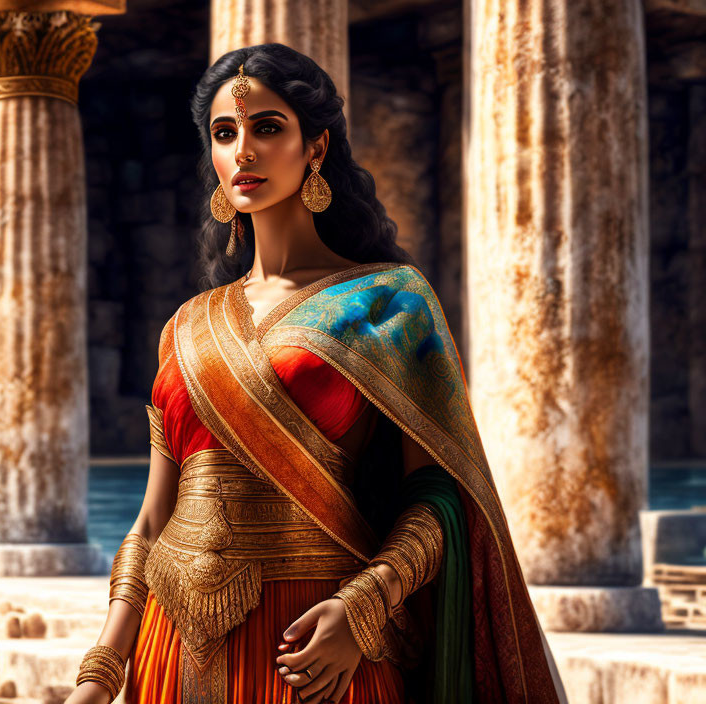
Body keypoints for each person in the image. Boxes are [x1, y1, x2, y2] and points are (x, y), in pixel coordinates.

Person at [65, 44, 568, 704]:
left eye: (267, 128)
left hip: (316, 646)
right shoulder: (186, 325)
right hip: (171, 648)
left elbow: (442, 501)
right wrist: (101, 671)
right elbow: (154, 519)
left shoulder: (389, 299)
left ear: (316, 148)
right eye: (225, 133)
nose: (243, 151)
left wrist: (365, 606)